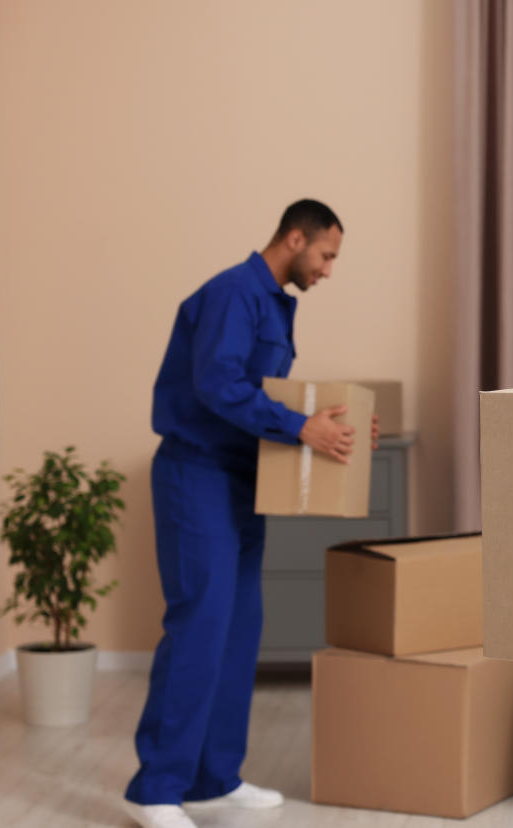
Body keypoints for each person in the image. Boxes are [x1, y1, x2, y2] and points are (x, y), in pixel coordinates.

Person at [123, 199, 376, 828]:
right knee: (200, 625)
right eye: (326, 255)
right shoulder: (233, 294)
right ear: (295, 238)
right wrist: (300, 428)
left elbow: (263, 394)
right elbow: (217, 386)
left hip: (241, 480)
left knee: (239, 630)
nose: (327, 270)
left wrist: (335, 421)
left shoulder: (270, 304)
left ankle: (214, 780)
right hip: (196, 476)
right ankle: (156, 790)